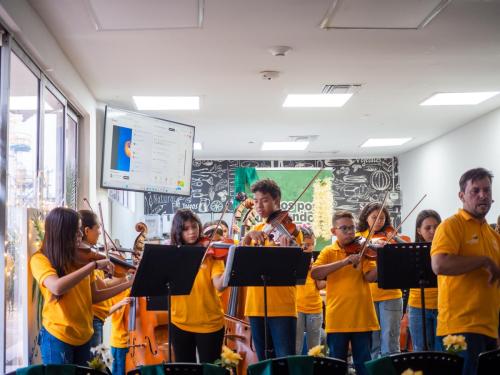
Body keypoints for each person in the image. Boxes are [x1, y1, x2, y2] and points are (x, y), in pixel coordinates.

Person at [29, 207, 132, 365]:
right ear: (62, 233)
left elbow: (95, 295)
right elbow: (56, 287)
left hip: (84, 336)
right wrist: (93, 265)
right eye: (76, 230)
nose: (80, 234)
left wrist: (128, 283)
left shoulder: (82, 258)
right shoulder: (40, 259)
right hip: (58, 337)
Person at [431, 168, 500, 375]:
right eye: (475, 190)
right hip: (458, 328)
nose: (483, 195)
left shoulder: (492, 234)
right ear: (461, 195)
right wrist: (482, 261)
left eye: (487, 190)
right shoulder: (451, 226)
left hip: (489, 327)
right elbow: (439, 265)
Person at [311, 211, 378, 375]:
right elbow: (315, 273)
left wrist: (382, 260)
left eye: (352, 228)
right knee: (336, 366)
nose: (350, 232)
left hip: (362, 317)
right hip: (338, 318)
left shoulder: (363, 250)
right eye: (344, 228)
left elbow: (370, 277)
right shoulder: (328, 251)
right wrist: (345, 261)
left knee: (364, 365)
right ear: (334, 231)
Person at [242, 178, 303, 360]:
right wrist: (247, 238)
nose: (259, 205)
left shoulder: (292, 231)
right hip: (255, 306)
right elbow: (241, 266)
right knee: (263, 362)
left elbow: (296, 269)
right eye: (256, 201)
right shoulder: (256, 230)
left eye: (265, 200)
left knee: (284, 360)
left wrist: (288, 252)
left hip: (282, 307)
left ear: (277, 200)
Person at [169, 209, 226, 363]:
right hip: (179, 322)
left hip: (209, 324)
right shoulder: (171, 255)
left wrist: (230, 267)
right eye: (186, 229)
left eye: (194, 227)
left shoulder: (211, 254)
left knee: (211, 371)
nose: (192, 232)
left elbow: (219, 286)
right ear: (178, 232)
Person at [79, 209, 132, 349]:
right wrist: (126, 279)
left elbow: (104, 283)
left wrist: (124, 276)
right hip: (92, 318)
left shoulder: (91, 256)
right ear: (86, 231)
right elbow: (102, 286)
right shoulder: (86, 259)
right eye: (98, 228)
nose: (100, 232)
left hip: (98, 318)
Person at [357, 203, 404, 358]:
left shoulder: (391, 236)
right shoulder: (359, 237)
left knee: (390, 342)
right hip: (367, 296)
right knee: (373, 342)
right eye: (374, 217)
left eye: (382, 218)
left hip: (391, 295)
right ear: (366, 218)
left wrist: (392, 246)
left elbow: (404, 254)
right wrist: (371, 244)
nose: (378, 221)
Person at [407, 209, 442, 351]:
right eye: (428, 228)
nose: (433, 231)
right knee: (420, 349)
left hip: (443, 304)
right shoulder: (411, 251)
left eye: (436, 227)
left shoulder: (448, 250)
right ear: (419, 231)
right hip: (417, 306)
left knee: (443, 350)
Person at [295, 225, 326, 355]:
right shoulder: (293, 259)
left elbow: (320, 285)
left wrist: (318, 272)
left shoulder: (317, 260)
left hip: (315, 308)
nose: (309, 247)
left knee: (315, 349)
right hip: (296, 308)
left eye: (312, 244)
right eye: (305, 244)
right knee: (296, 347)